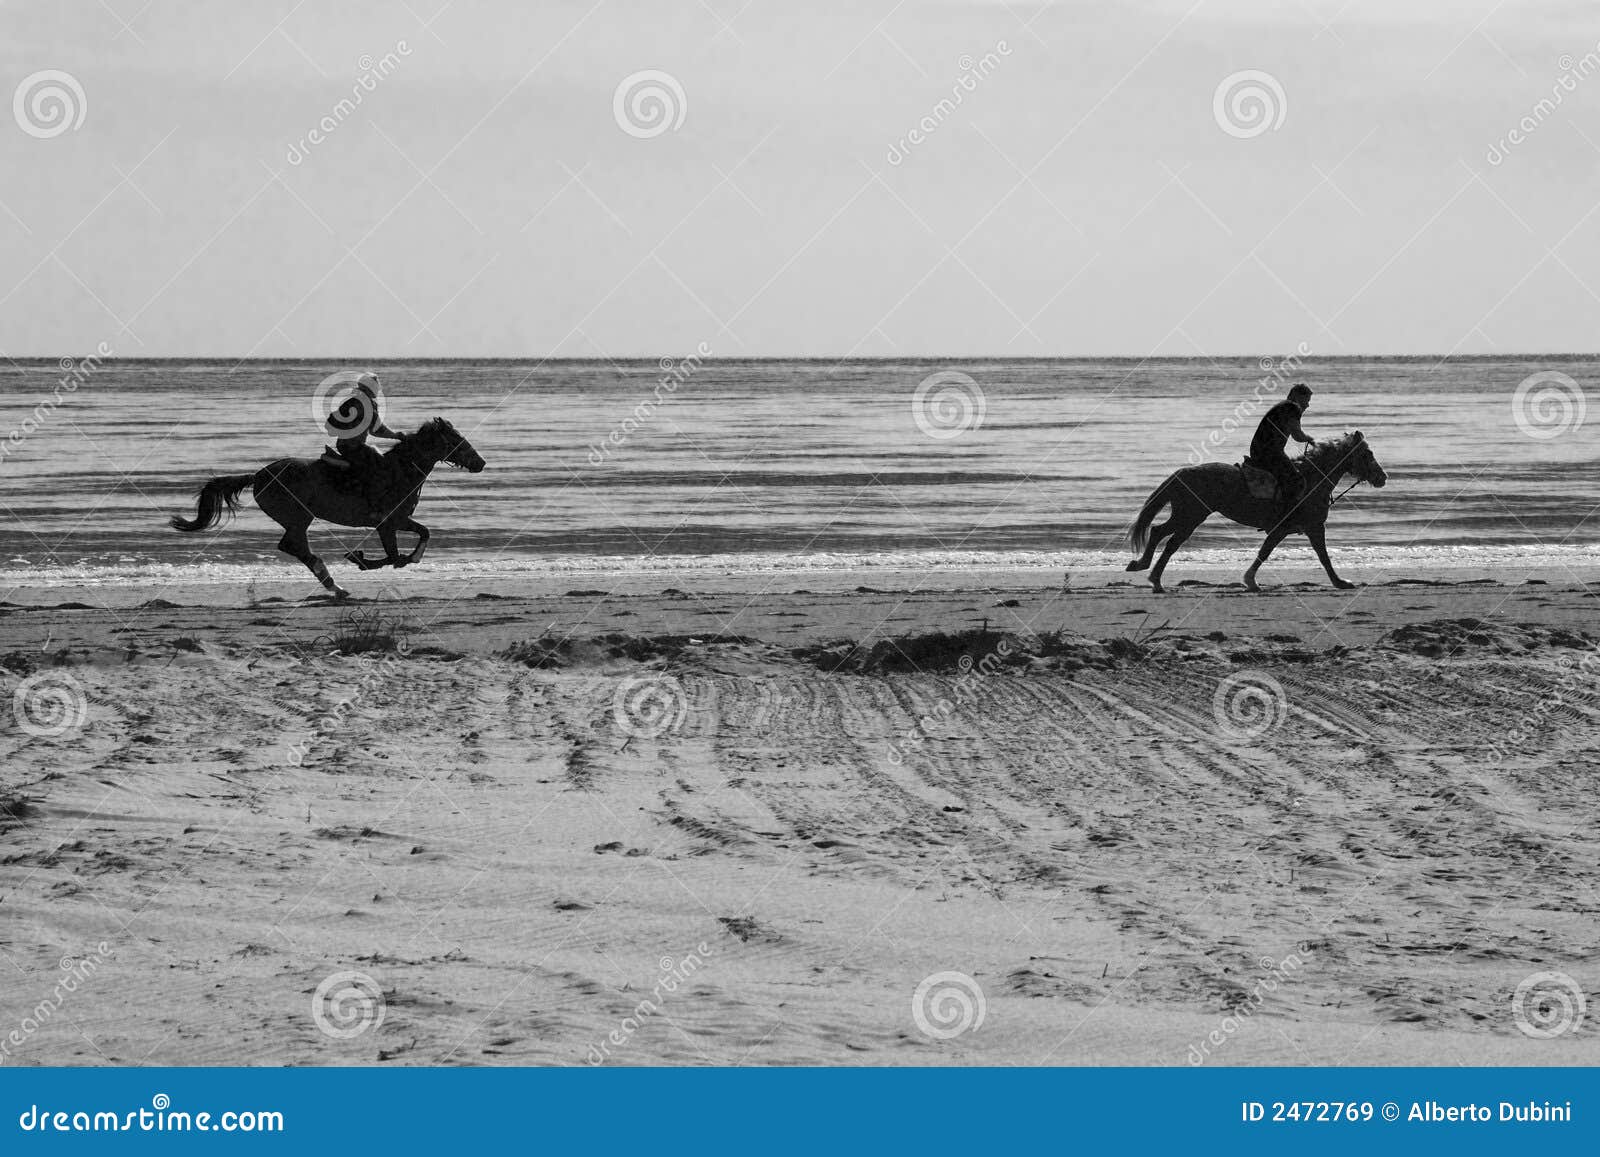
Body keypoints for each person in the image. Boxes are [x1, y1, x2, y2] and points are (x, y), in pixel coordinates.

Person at [1247, 383, 1315, 515]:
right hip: (1270, 453)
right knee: (1297, 481)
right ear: (1296, 396)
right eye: (1306, 400)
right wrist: (1312, 440)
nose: (1307, 405)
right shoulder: (1292, 408)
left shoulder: (1283, 406)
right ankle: (1286, 517)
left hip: (1259, 450)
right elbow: (1298, 436)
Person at [320, 372, 404, 474]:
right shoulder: (367, 404)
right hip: (354, 448)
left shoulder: (351, 401)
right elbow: (377, 430)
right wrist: (397, 435)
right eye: (377, 386)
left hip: (342, 445)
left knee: (371, 454)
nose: (378, 389)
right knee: (380, 462)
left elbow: (330, 424)